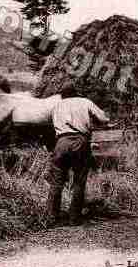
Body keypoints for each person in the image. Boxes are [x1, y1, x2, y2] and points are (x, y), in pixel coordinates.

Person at [47, 82, 110, 226]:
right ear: (76, 93)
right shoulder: (84, 102)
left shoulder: (56, 106)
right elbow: (103, 118)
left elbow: (51, 123)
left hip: (61, 142)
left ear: (62, 95)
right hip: (80, 142)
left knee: (57, 181)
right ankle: (74, 217)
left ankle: (52, 217)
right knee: (79, 180)